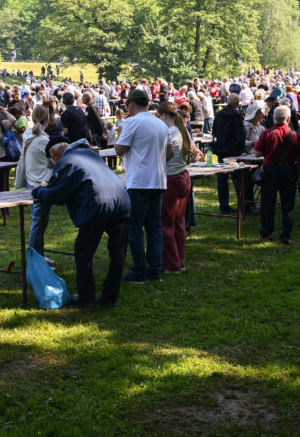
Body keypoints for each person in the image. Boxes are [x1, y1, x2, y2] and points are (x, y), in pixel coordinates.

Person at [31, 138, 131, 309]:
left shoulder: (65, 162)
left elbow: (57, 194)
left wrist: (37, 190)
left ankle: (86, 297)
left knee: (83, 252)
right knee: (117, 253)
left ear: (55, 155)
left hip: (97, 205)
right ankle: (110, 296)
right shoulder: (89, 154)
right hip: (122, 202)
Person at [115, 88, 170, 284]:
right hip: (158, 180)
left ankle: (139, 270)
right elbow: (169, 152)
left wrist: (119, 133)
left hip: (139, 181)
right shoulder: (160, 123)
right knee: (154, 227)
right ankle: (154, 269)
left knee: (136, 228)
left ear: (130, 104)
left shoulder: (131, 122)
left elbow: (120, 150)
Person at [156, 101, 197, 272]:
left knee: (166, 224)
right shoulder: (182, 130)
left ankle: (172, 264)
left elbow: (164, 155)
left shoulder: (170, 132)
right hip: (183, 176)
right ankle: (180, 261)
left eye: (158, 116)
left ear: (164, 115)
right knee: (179, 222)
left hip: (171, 178)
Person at [255, 105, 300, 243]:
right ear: (288, 119)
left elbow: (257, 153)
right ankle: (286, 235)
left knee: (267, 204)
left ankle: (266, 234)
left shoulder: (267, 134)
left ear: (274, 119)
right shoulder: (296, 135)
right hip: (289, 170)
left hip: (271, 170)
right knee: (288, 204)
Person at [15, 105, 55, 254]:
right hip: (41, 182)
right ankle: (33, 256)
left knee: (39, 221)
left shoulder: (28, 135)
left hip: (31, 180)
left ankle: (38, 254)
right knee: (38, 222)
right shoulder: (43, 139)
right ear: (48, 119)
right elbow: (56, 160)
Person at [211, 93, 246, 212]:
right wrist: (242, 150)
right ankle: (242, 204)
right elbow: (241, 135)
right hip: (234, 150)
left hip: (221, 149)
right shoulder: (237, 116)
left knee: (222, 179)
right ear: (237, 104)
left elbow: (214, 131)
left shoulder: (219, 114)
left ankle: (223, 205)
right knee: (237, 179)